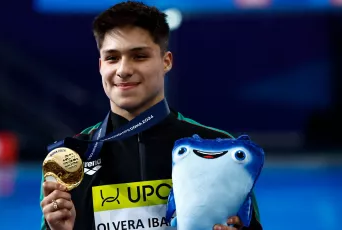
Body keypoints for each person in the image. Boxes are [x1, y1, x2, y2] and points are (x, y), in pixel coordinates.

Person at [39, 1, 263, 230]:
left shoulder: (218, 148)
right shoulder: (71, 158)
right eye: (112, 58)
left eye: (139, 56)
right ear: (100, 66)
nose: (123, 70)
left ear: (166, 62)